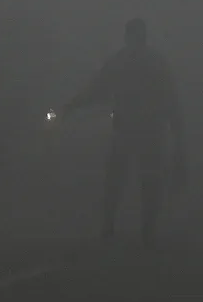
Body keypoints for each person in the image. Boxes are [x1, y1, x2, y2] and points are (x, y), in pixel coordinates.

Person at [60, 18, 186, 247]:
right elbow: (172, 102)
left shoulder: (121, 62)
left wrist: (70, 106)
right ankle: (145, 231)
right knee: (145, 181)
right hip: (147, 131)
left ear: (128, 37)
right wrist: (178, 138)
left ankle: (111, 227)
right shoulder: (154, 63)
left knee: (118, 180)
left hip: (129, 130)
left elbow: (95, 91)